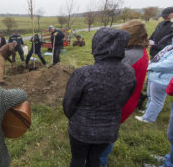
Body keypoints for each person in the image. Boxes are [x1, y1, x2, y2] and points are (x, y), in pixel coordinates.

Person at [63, 28, 136, 167]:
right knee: (95, 159)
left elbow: (68, 104)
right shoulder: (129, 72)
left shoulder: (83, 73)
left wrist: (74, 118)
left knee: (78, 159)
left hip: (81, 129)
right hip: (109, 130)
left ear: (97, 45)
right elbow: (124, 99)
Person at [99, 20, 149, 166]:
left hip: (117, 103)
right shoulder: (140, 52)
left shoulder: (129, 56)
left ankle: (100, 162)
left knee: (102, 139)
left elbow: (110, 79)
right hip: (128, 101)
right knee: (108, 134)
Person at [135, 39, 173, 123]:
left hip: (162, 79)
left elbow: (167, 65)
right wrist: (148, 63)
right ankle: (147, 112)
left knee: (157, 100)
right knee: (151, 96)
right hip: (154, 76)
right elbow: (157, 58)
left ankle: (148, 119)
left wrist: (150, 67)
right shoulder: (169, 47)